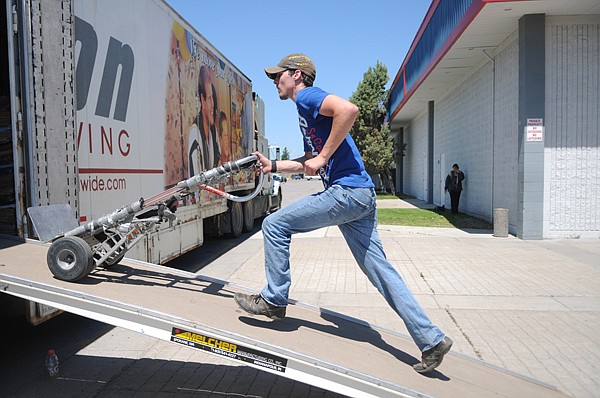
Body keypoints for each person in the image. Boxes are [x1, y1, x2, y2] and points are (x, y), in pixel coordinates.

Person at [234, 53, 452, 374]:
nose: (274, 82)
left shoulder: (307, 95)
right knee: (381, 273)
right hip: (361, 196)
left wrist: (322, 157)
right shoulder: (305, 112)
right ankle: (431, 340)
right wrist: (276, 165)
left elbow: (349, 110)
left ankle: (274, 299)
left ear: (296, 75)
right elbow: (309, 159)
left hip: (347, 192)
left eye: (277, 76)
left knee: (274, 224)